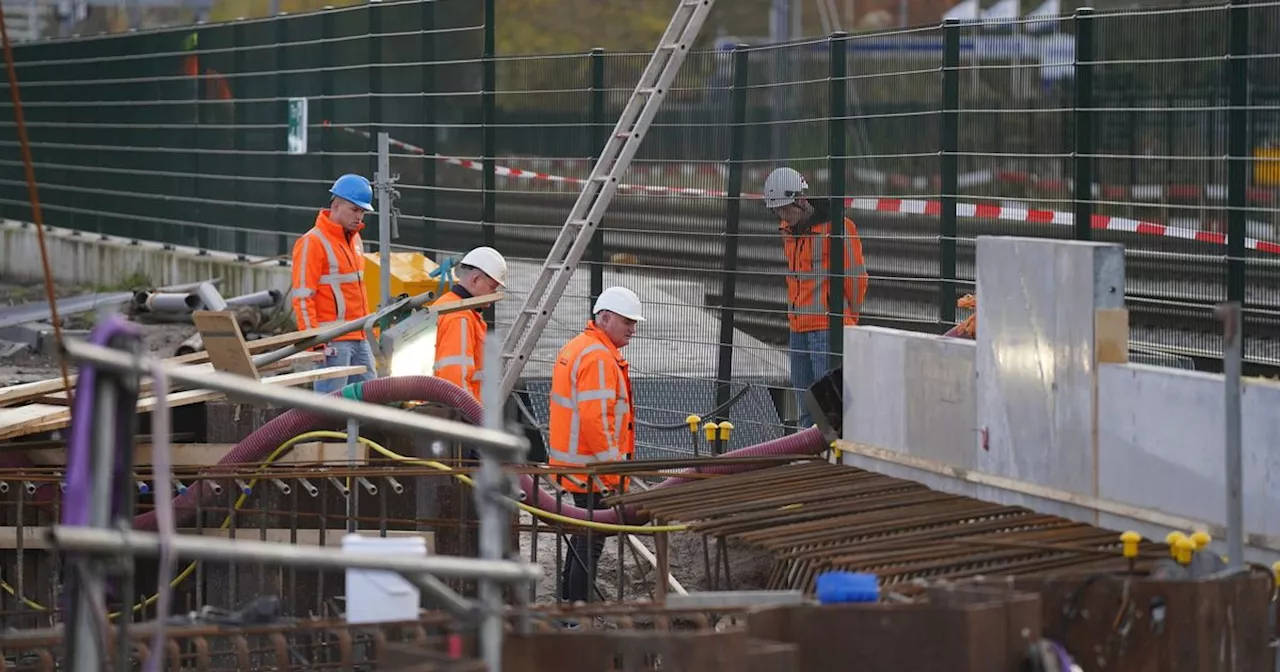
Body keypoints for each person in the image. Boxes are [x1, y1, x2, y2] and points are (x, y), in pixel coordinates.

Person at [548, 286, 642, 606]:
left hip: (579, 466)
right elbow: (596, 422)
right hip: (594, 470)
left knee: (584, 537)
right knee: (591, 542)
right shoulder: (599, 357)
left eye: (634, 322)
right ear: (603, 319)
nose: (633, 329)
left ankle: (568, 603)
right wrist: (613, 474)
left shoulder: (579, 347)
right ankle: (576, 610)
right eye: (626, 321)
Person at [763, 166, 869, 428]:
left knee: (830, 411)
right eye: (777, 211)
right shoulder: (788, 231)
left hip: (826, 329)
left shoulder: (839, 229)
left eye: (785, 209)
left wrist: (845, 318)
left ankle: (834, 459)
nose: (782, 216)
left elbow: (856, 279)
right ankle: (809, 459)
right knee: (806, 407)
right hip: (798, 329)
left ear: (800, 200)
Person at [291, 173, 378, 395]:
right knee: (331, 407)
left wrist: (369, 332)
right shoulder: (313, 242)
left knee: (371, 399)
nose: (359, 216)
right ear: (336, 205)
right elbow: (302, 297)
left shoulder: (354, 240)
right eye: (354, 209)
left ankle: (360, 432)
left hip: (359, 336)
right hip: (332, 341)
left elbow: (357, 292)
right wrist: (315, 341)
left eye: (362, 211)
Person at [431, 246, 508, 400]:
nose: (494, 294)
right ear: (475, 280)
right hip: (458, 413)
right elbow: (456, 380)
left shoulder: (448, 305)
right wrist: (471, 418)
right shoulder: (460, 318)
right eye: (492, 287)